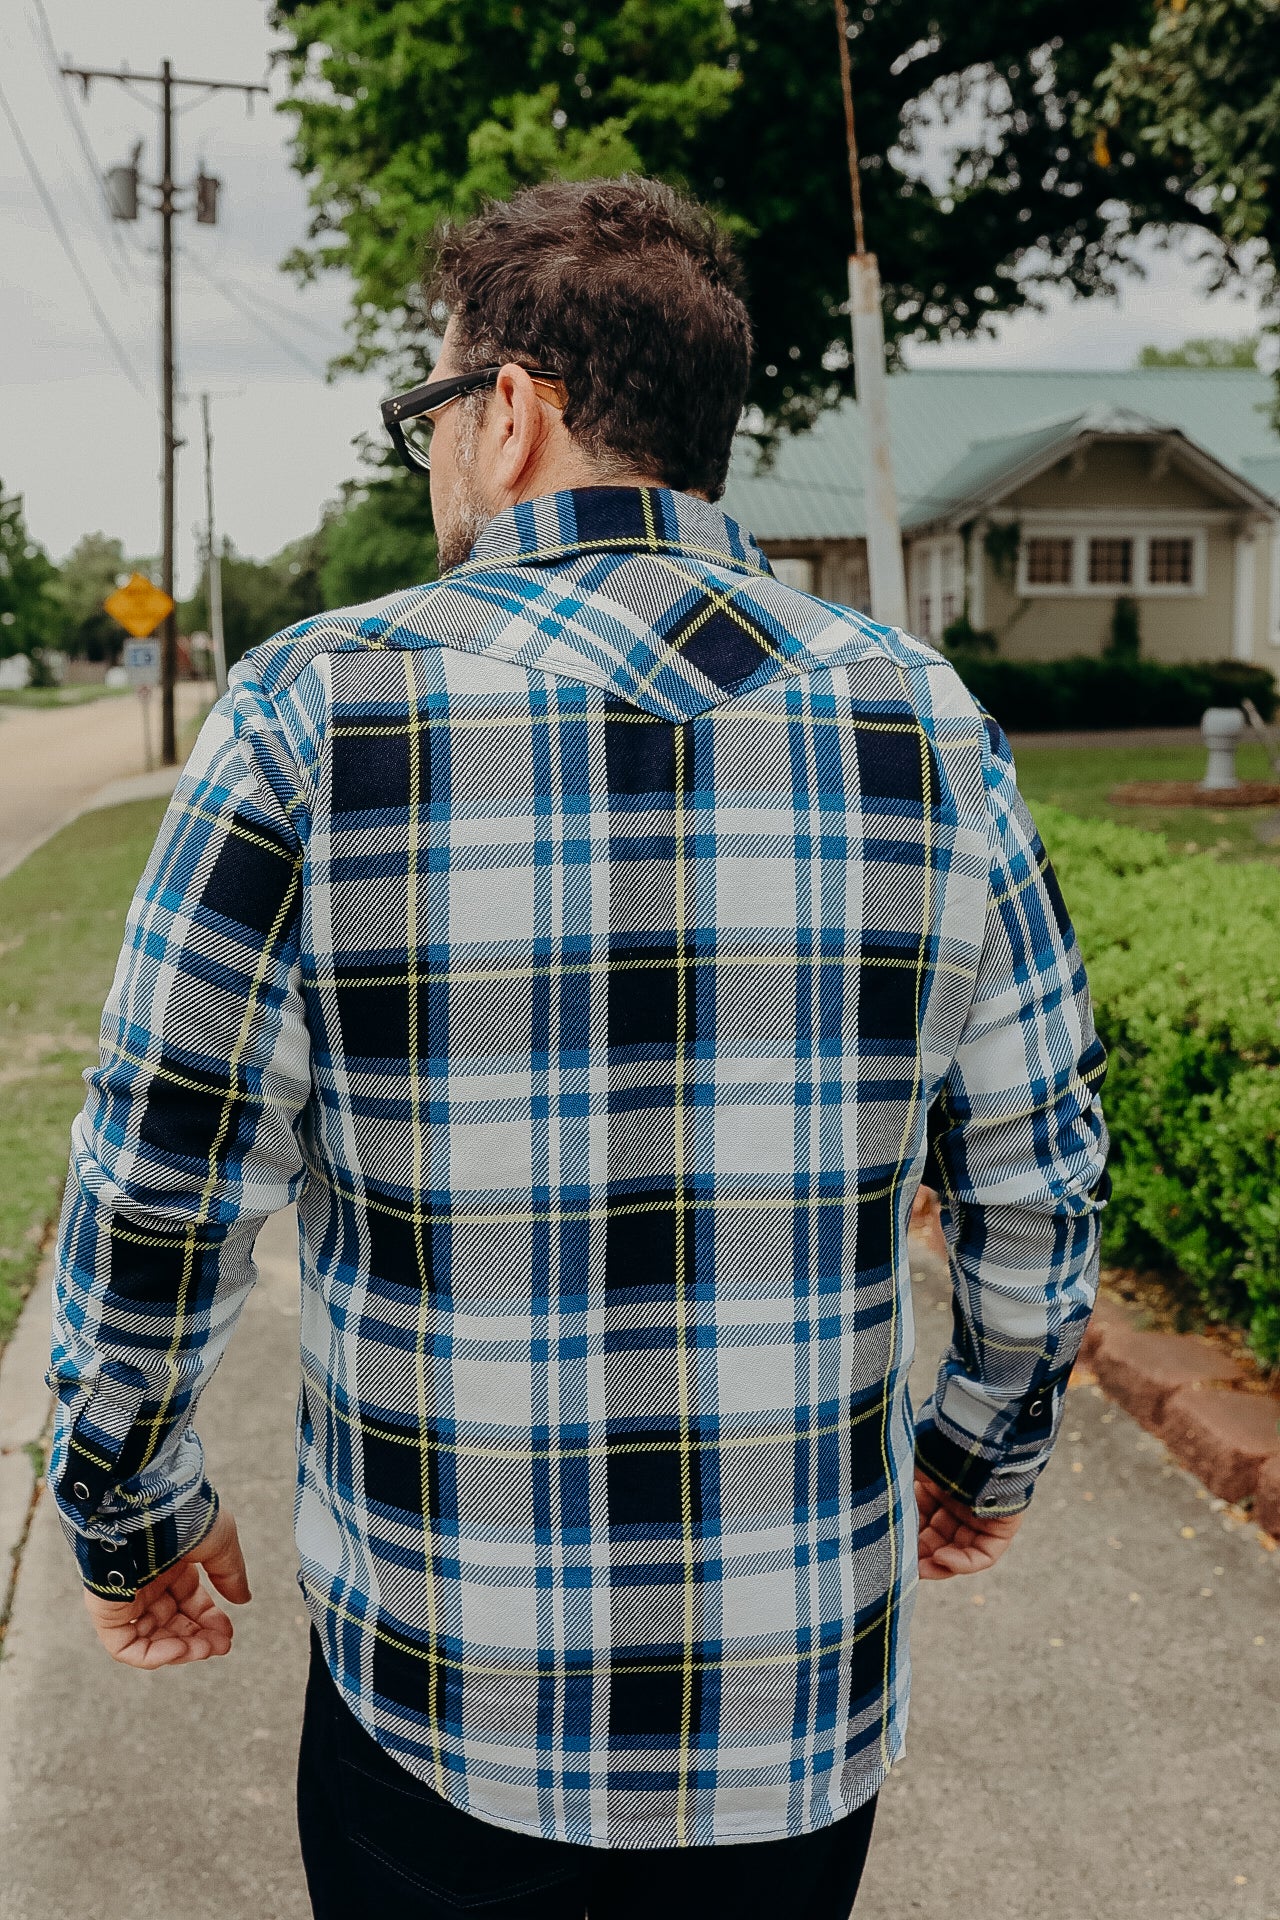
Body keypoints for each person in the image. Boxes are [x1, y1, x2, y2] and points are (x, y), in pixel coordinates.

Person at [47, 176, 1108, 1919]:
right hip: (797, 1709)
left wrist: (129, 1504)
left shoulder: (317, 712)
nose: (435, 462)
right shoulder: (934, 726)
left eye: (431, 419)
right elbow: (1036, 1164)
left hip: (444, 1699)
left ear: (515, 411)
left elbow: (162, 1172)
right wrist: (983, 1446)